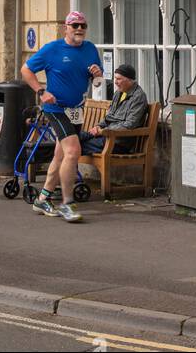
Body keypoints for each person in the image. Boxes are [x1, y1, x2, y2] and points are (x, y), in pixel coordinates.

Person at [20, 12, 102, 222]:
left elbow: (98, 81)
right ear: (65, 27)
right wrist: (41, 91)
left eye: (83, 25)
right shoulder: (52, 49)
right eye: (74, 25)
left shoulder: (90, 49)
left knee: (60, 156)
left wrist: (97, 76)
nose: (79, 28)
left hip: (76, 109)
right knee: (73, 152)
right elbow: (26, 70)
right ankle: (67, 203)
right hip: (56, 110)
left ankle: (43, 199)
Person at [79, 64, 148, 155]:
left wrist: (104, 131)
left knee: (75, 146)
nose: (115, 82)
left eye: (119, 79)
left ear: (130, 80)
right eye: (115, 78)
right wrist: (98, 127)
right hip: (105, 136)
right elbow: (109, 117)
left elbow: (129, 124)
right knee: (72, 138)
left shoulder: (138, 97)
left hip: (117, 142)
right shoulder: (118, 93)